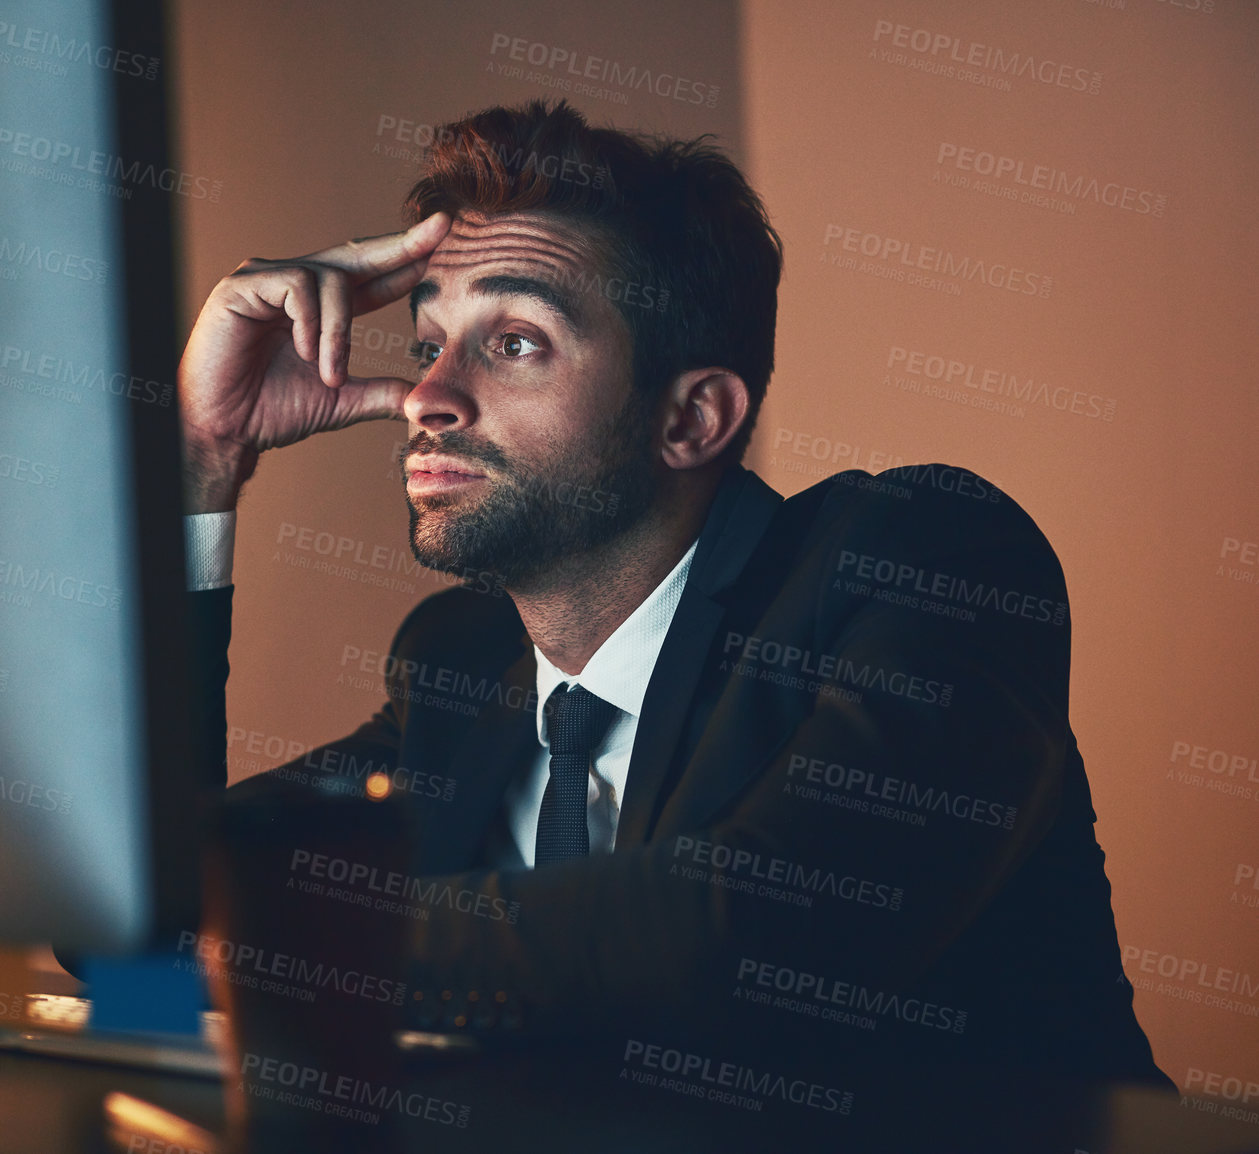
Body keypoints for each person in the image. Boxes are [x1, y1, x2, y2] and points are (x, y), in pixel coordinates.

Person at [176, 100, 1168, 1088]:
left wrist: (285, 945)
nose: (428, 394)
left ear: (692, 416)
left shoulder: (925, 560)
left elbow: (755, 936)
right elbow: (151, 905)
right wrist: (202, 457)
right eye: (428, 342)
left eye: (514, 342)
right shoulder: (457, 663)